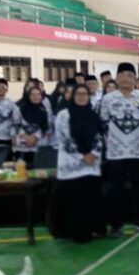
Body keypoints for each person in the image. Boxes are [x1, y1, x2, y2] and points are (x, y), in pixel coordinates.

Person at [99, 62, 139, 237]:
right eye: (122, 75)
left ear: (135, 78)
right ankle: (116, 225)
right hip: (116, 153)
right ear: (117, 77)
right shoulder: (108, 99)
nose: (126, 78)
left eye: (130, 75)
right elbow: (103, 122)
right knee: (116, 190)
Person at [54, 83, 104, 243]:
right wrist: (83, 155)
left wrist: (94, 154)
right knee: (74, 200)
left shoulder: (93, 115)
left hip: (91, 165)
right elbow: (65, 138)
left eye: (85, 94)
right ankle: (75, 232)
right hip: (72, 165)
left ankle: (92, 228)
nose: (82, 97)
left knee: (90, 198)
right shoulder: (64, 115)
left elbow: (99, 136)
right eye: (78, 94)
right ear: (73, 96)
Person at [13, 86, 51, 166]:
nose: (35, 97)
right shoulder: (20, 109)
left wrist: (34, 137)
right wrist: (26, 137)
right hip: (22, 145)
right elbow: (16, 125)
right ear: (28, 96)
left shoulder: (44, 111)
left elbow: (44, 128)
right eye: (32, 94)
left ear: (41, 96)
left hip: (37, 146)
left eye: (38, 94)